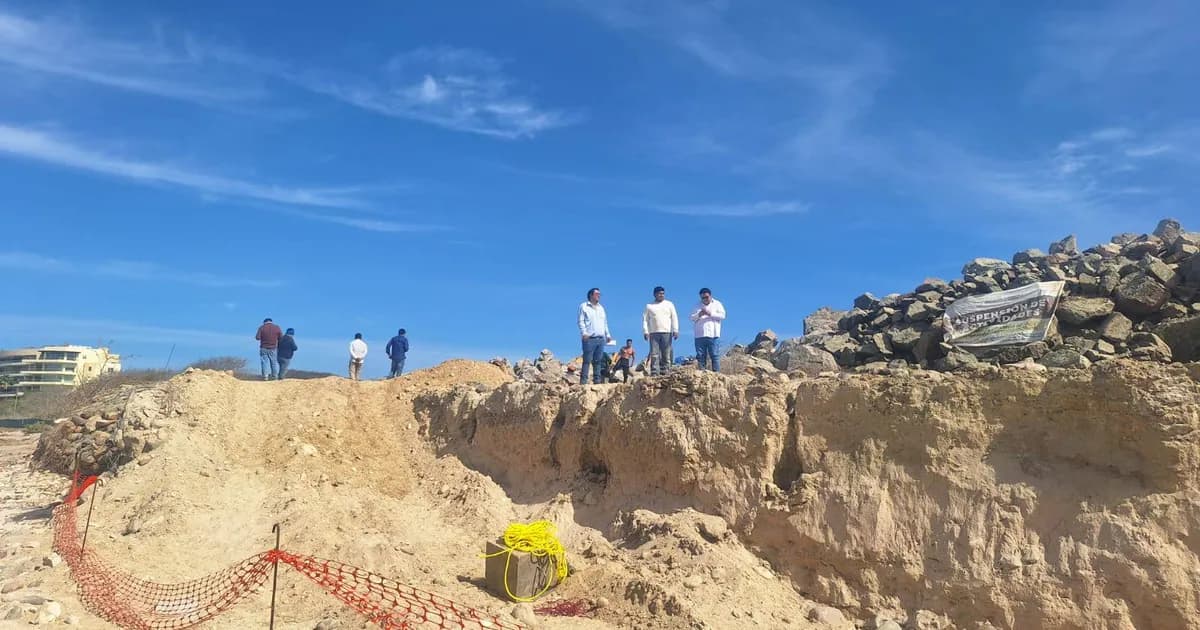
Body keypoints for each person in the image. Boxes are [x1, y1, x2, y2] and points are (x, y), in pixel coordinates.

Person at [577, 287, 612, 385]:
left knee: (598, 361)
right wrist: (584, 333)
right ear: (591, 295)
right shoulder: (584, 306)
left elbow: (605, 322)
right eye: (597, 294)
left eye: (599, 294)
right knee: (587, 360)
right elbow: (580, 321)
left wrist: (608, 334)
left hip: (600, 338)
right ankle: (583, 382)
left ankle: (597, 381)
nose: (599, 296)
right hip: (589, 338)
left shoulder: (601, 308)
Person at [642, 286, 679, 377]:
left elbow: (674, 317)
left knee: (666, 353)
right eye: (659, 294)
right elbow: (645, 320)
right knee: (654, 354)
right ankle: (655, 372)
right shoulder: (649, 306)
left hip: (666, 332)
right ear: (655, 294)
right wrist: (645, 331)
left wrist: (675, 330)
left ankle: (666, 372)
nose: (661, 295)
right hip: (654, 333)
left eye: (663, 293)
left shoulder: (669, 304)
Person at [690, 288, 726, 371]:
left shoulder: (717, 304)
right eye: (703, 298)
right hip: (700, 335)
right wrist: (699, 314)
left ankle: (716, 374)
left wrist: (711, 313)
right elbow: (692, 318)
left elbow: (723, 316)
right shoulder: (697, 305)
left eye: (706, 297)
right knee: (701, 356)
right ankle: (702, 373)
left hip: (713, 334)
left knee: (714, 355)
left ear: (710, 296)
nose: (705, 299)